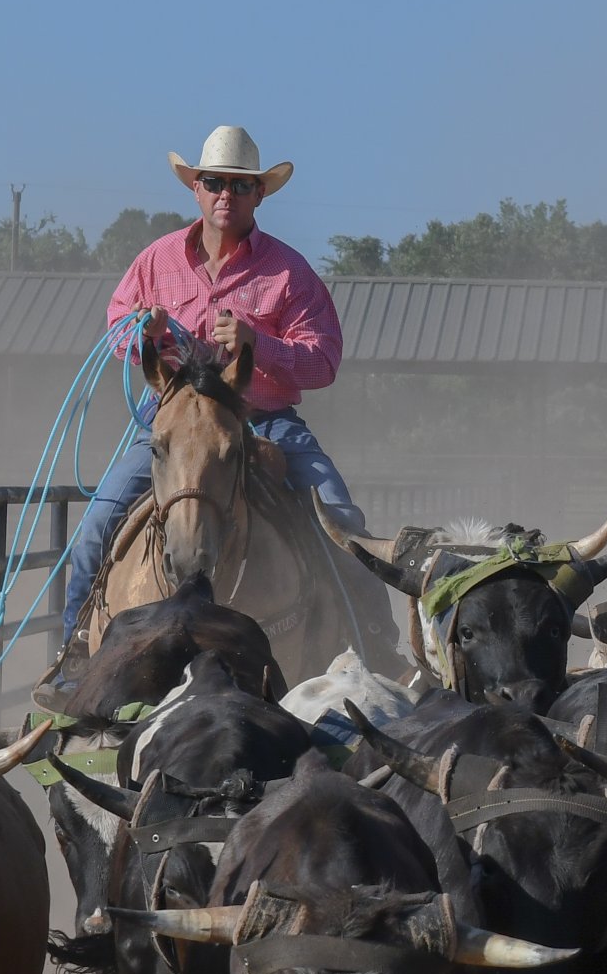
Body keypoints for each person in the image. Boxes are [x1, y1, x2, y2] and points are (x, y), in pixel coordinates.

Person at [49, 125, 394, 690]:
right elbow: (116, 327)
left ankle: (379, 651)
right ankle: (74, 660)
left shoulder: (288, 273)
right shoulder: (157, 261)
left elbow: (323, 360)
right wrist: (143, 333)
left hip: (267, 422)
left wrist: (260, 343)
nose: (224, 195)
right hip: (177, 423)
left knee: (343, 523)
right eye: (213, 182)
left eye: (239, 185)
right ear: (196, 188)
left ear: (259, 194)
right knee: (94, 528)